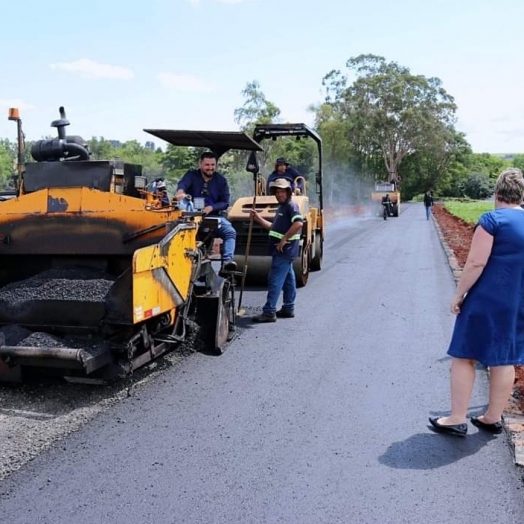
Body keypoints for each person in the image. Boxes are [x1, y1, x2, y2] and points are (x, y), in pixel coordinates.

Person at [429, 167, 524, 437]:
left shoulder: (492, 220)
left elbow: (476, 262)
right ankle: (492, 417)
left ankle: (457, 417)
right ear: (521, 195)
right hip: (517, 303)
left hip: (487, 300)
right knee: (505, 359)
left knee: (463, 355)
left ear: (497, 193)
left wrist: (459, 295)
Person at [250, 178, 304, 323]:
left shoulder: (291, 206)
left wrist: (284, 239)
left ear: (288, 192)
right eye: (277, 192)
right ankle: (288, 308)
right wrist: (258, 218)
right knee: (288, 279)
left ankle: (269, 312)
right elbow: (273, 228)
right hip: (284, 251)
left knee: (274, 279)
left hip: (284, 251)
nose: (279, 194)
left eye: (282, 192)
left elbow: (298, 223)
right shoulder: (282, 208)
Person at [175, 151, 237, 271]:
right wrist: (180, 192)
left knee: (230, 232)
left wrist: (211, 208)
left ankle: (227, 262)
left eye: (213, 165)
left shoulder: (221, 180)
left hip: (212, 217)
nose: (210, 168)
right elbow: (183, 184)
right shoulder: (191, 175)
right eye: (207, 165)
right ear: (200, 164)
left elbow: (225, 202)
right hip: (191, 217)